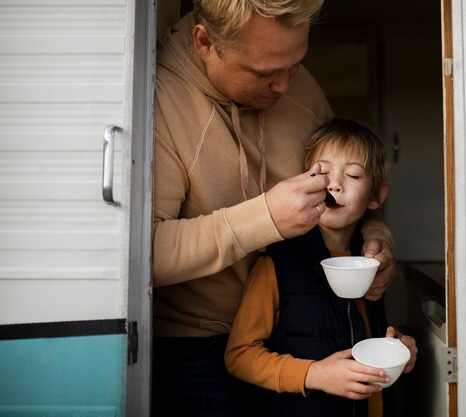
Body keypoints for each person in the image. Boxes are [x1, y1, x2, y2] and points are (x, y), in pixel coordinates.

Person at [152, 1, 397, 416]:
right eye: (265, 73)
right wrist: (264, 219)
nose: (286, 87)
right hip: (198, 348)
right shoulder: (156, 100)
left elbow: (354, 186)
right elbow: (144, 254)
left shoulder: (296, 84)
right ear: (206, 42)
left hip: (302, 332)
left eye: (296, 64)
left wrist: (377, 237)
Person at [224, 118, 417, 417]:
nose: (334, 183)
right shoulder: (276, 262)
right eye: (323, 171)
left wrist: (399, 351)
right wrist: (314, 374)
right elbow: (239, 356)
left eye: (353, 175)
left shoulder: (374, 263)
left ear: (377, 195)